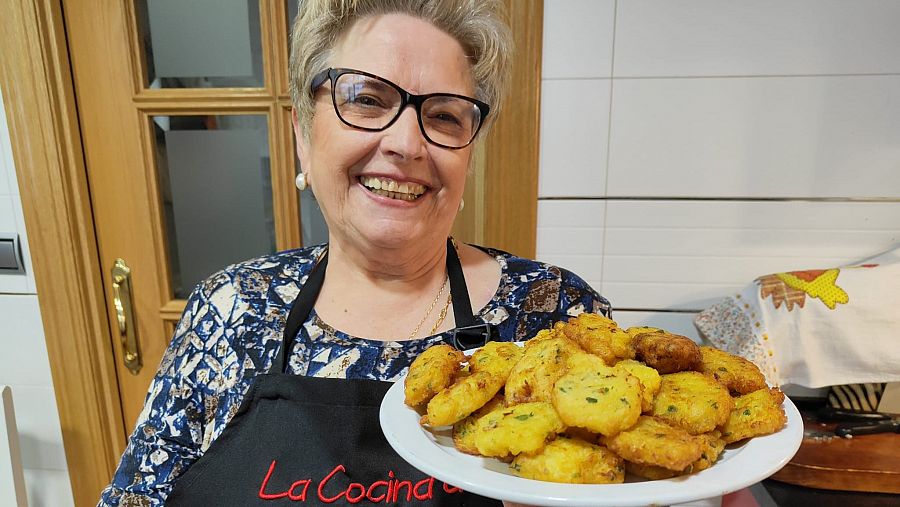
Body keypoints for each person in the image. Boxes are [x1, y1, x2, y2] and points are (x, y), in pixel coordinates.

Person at [99, 1, 609, 505]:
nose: (407, 143)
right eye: (367, 100)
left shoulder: (557, 314)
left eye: (445, 115)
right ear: (303, 131)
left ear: (468, 157)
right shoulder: (232, 308)